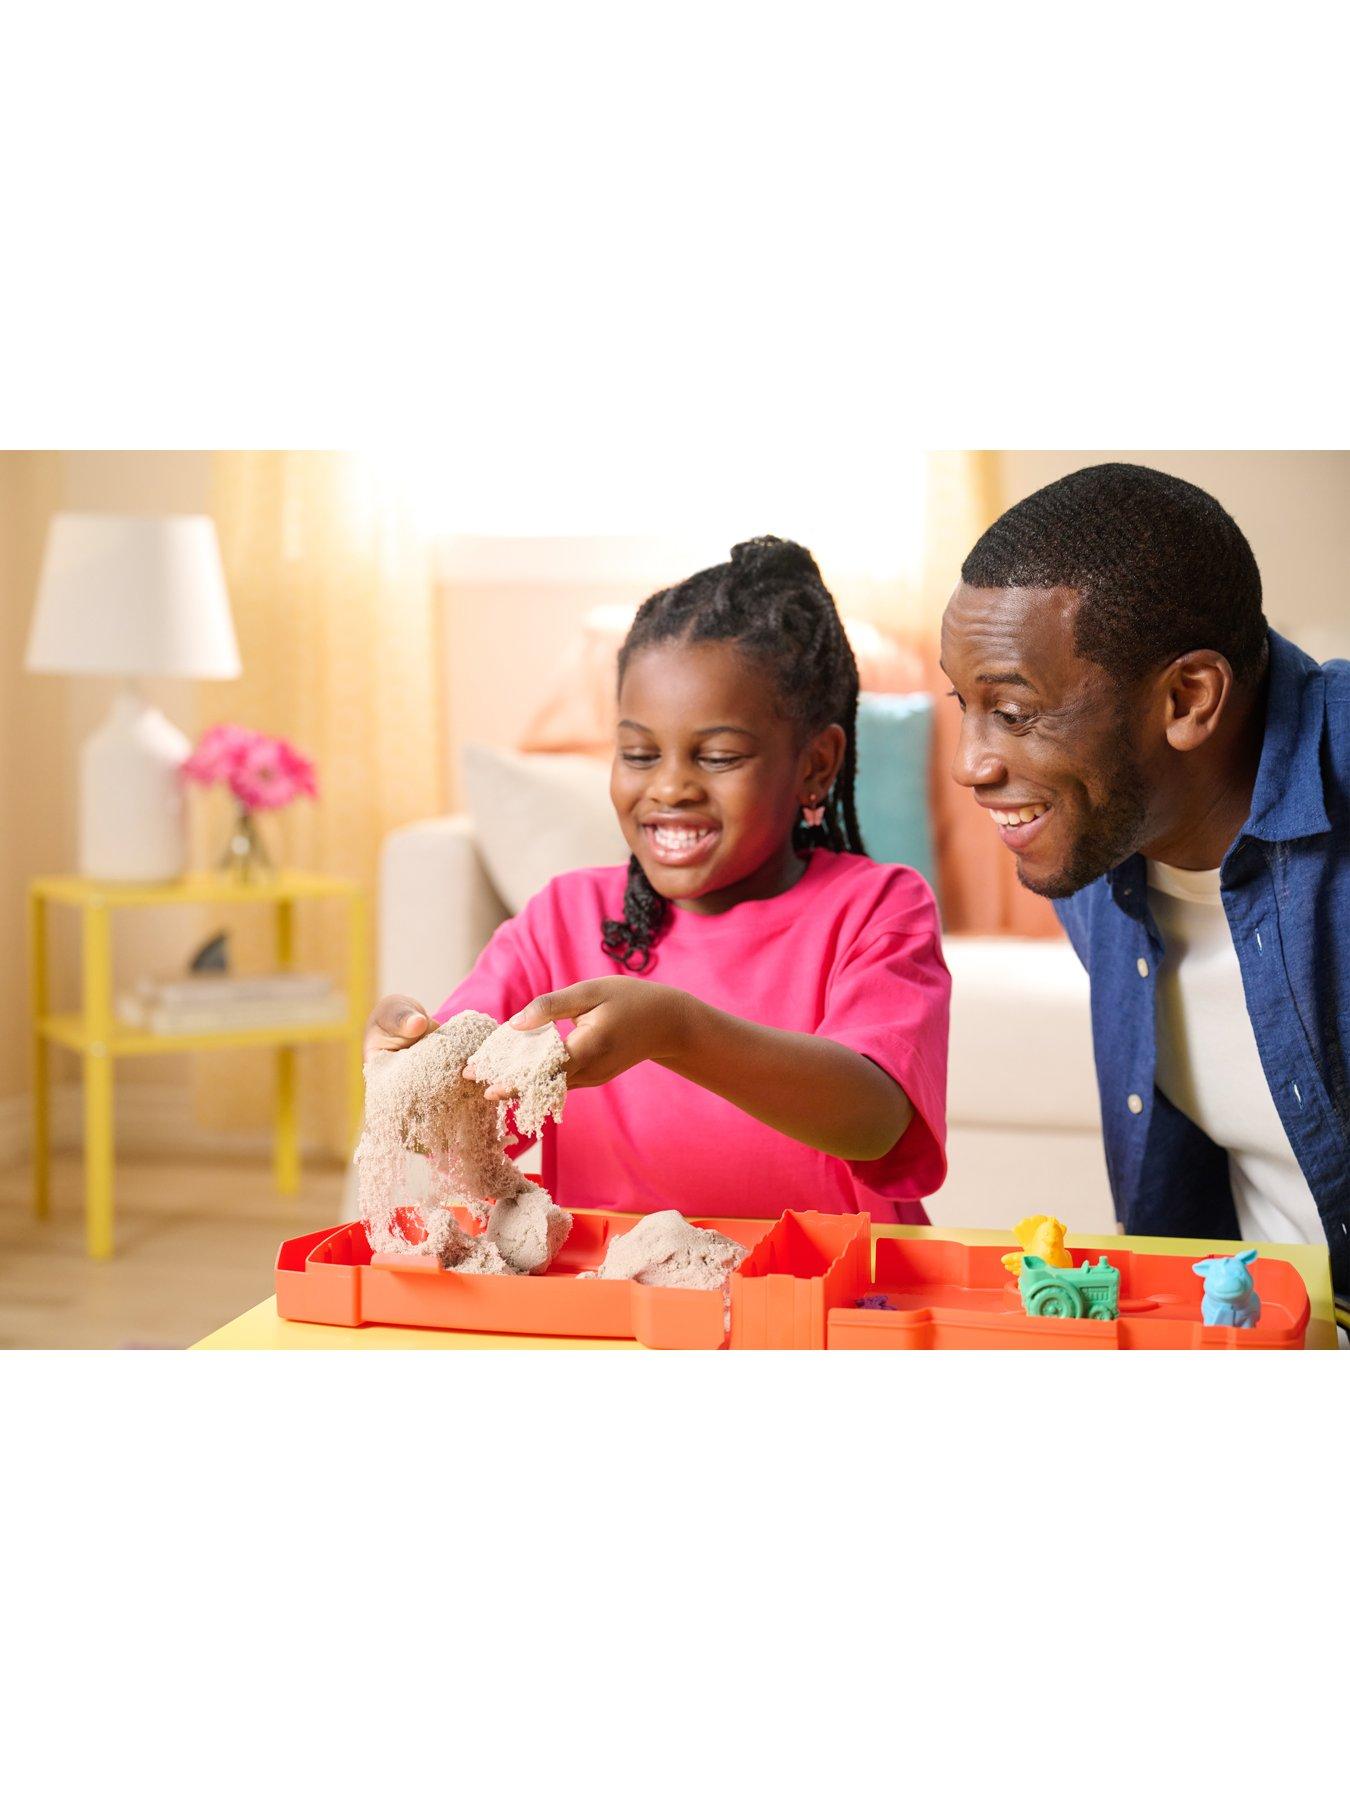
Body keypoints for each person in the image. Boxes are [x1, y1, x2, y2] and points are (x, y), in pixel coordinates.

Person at [365, 536, 950, 1222]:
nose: (670, 787)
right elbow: (453, 1123)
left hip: (829, 1282)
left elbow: (874, 1121)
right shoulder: (561, 920)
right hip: (610, 1283)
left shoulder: (877, 908)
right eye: (640, 753)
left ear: (816, 765)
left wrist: (678, 1032)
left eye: (719, 756)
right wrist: (406, 1070)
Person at [941, 462, 1350, 1308]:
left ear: (1188, 699)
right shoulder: (1098, 839)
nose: (970, 765)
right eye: (963, 706)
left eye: (1013, 714)